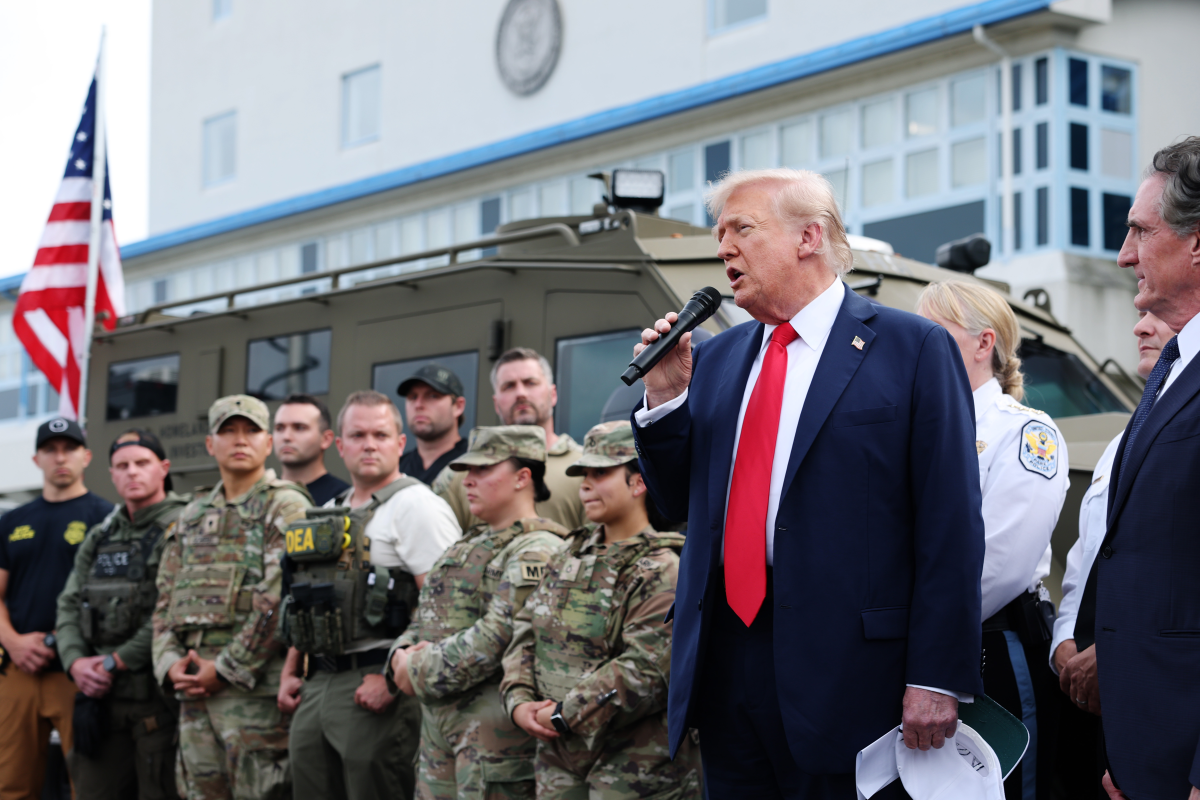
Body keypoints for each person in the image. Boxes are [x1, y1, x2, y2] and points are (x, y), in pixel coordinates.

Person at [632, 168, 985, 798]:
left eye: (742, 229)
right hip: (724, 668)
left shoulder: (911, 348)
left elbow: (950, 522)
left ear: (808, 237)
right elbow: (676, 505)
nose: (723, 249)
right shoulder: (712, 357)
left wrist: (937, 674)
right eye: (720, 234)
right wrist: (664, 400)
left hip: (851, 677)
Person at [1074, 137, 1200, 800]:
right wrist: (1129, 747)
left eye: (1140, 233)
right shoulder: (1174, 371)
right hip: (1145, 753)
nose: (1124, 257)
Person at [917, 280, 1069, 800]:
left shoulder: (1026, 432)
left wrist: (911, 641)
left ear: (984, 344)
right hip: (910, 651)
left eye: (934, 333)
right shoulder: (914, 427)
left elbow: (999, 563)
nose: (918, 345)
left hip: (989, 649)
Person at [502, 421, 702, 798]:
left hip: (634, 764)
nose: (586, 485)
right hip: (558, 756)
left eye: (601, 472)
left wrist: (564, 713)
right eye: (584, 474)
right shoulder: (567, 554)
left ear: (638, 482)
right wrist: (518, 701)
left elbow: (645, 667)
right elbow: (526, 630)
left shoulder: (663, 567)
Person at [278, 390, 461, 800]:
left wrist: (391, 682)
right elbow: (306, 594)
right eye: (358, 435)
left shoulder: (417, 506)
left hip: (377, 680)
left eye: (380, 434)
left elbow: (445, 607)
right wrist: (292, 669)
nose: (369, 444)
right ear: (339, 445)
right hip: (318, 680)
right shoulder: (328, 509)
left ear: (400, 444)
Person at [386, 425, 569, 799]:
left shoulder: (539, 547)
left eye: (483, 470)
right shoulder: (468, 543)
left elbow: (499, 635)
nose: (468, 481)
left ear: (523, 477)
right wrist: (399, 654)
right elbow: (427, 614)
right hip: (441, 731)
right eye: (468, 471)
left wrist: (416, 669)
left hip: (493, 740)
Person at [152, 394, 312, 800]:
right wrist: (170, 664)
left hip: (253, 694)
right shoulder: (189, 516)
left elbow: (279, 599)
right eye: (228, 431)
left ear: (269, 442)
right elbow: (165, 603)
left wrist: (223, 670)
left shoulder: (286, 506)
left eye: (251, 430)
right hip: (193, 696)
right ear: (210, 444)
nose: (240, 439)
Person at [1049, 310, 1173, 797]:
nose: (1140, 327)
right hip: (1084, 690)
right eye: (1140, 315)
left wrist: (1117, 654)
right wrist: (1065, 642)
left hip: (1152, 688)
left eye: (1158, 316)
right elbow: (1087, 558)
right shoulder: (1121, 442)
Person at [56, 429, 189, 799]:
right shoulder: (100, 537)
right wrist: (76, 663)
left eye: (142, 463)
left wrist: (117, 661)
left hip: (158, 701)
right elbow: (68, 603)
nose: (132, 472)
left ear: (163, 468)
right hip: (101, 702)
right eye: (122, 466)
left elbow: (174, 609)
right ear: (111, 474)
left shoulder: (187, 526)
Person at [0, 417, 113, 798]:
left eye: (69, 449)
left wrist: (60, 641)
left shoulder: (106, 518)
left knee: (87, 782)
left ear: (87, 456)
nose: (60, 457)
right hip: (17, 669)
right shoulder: (12, 521)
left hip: (77, 669)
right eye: (50, 450)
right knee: (11, 784)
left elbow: (113, 598)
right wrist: (13, 643)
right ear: (36, 459)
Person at [434, 348, 585, 531]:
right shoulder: (458, 477)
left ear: (552, 394)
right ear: (496, 403)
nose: (520, 393)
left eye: (530, 383)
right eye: (509, 386)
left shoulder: (585, 468)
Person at [397, 364, 469, 485]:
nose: (418, 405)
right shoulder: (395, 470)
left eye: (433, 396)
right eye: (413, 397)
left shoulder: (475, 464)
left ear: (458, 406)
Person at [273, 393, 349, 506]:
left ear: (326, 439)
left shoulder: (344, 499)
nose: (286, 436)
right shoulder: (260, 497)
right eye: (280, 428)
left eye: (299, 428)